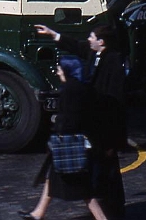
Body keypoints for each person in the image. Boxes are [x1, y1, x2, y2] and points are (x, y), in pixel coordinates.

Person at [36, 24, 127, 219]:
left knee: (108, 166)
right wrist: (53, 34)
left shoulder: (113, 61)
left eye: (92, 37)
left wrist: (113, 140)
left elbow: (116, 105)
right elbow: (75, 46)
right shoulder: (93, 53)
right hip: (93, 120)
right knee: (97, 166)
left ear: (101, 42)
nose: (88, 40)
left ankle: (115, 207)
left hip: (105, 123)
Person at [22, 56, 108, 220]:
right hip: (78, 142)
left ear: (67, 70)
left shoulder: (70, 89)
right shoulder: (83, 87)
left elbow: (69, 118)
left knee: (82, 188)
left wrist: (57, 128)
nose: (57, 71)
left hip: (68, 143)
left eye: (60, 68)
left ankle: (102, 218)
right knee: (52, 177)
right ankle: (38, 213)